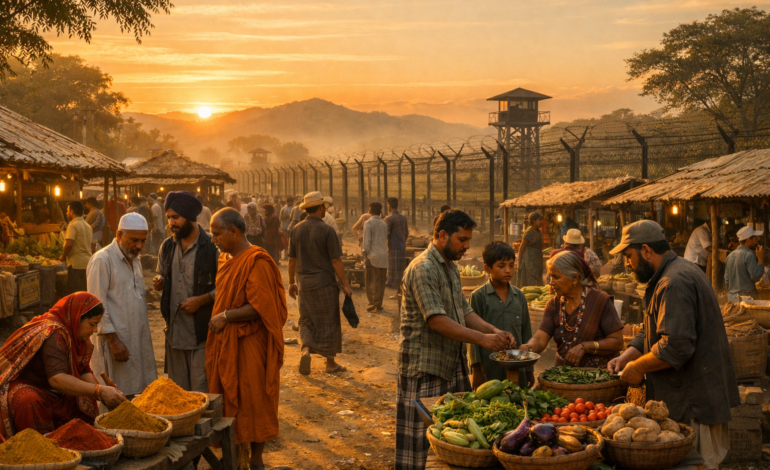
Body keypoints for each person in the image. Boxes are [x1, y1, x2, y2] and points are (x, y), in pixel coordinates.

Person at [607, 220, 739, 470]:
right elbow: (652, 331)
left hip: (695, 404)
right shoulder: (673, 273)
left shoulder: (674, 283)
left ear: (646, 250)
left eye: (628, 255)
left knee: (697, 464)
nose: (627, 263)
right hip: (692, 397)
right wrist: (628, 355)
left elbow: (675, 347)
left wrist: (638, 367)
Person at [396, 210, 516, 470]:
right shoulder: (423, 268)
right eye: (462, 239)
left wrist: (492, 330)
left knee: (455, 441)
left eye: (468, 239)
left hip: (452, 363)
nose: (467, 246)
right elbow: (436, 320)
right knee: (421, 443)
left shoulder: (449, 268)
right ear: (442, 235)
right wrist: (482, 340)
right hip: (425, 366)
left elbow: (463, 310)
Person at [207, 208, 287, 470]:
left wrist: (226, 316)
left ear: (234, 231)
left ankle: (255, 459)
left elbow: (262, 305)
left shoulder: (257, 260)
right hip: (229, 341)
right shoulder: (226, 259)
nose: (213, 239)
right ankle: (234, 453)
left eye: (217, 233)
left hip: (251, 342)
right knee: (231, 398)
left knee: (254, 399)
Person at [0, 293, 126, 437]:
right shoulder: (55, 333)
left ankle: (77, 442)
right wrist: (99, 391)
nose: (95, 330)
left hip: (54, 390)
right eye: (92, 324)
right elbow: (57, 379)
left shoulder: (78, 336)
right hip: (28, 385)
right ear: (76, 317)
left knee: (86, 399)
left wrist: (103, 393)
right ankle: (40, 450)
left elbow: (83, 370)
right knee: (29, 400)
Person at [87, 213, 157, 396]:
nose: (139, 246)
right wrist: (114, 340)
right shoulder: (102, 260)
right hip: (114, 340)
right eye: (134, 240)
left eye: (142, 241)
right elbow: (97, 305)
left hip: (137, 338)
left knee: (139, 391)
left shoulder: (136, 260)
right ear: (119, 235)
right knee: (115, 393)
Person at [154, 192, 217, 393]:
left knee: (201, 388)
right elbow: (161, 273)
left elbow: (226, 287)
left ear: (190, 217)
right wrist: (160, 281)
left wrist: (202, 300)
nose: (171, 222)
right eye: (169, 218)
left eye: (175, 217)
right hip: (174, 332)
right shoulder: (167, 246)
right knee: (178, 391)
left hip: (201, 333)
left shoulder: (212, 248)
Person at [288, 192, 353, 376]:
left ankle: (306, 350)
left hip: (305, 285)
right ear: (320, 208)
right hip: (325, 284)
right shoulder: (327, 230)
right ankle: (330, 363)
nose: (326, 209)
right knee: (329, 322)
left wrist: (291, 282)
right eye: (324, 206)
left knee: (306, 320)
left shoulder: (296, 229)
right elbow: (336, 261)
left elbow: (292, 260)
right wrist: (345, 284)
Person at [523, 251, 624, 367]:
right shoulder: (554, 305)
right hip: (564, 374)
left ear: (575, 278)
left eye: (556, 277)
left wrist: (586, 346)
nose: (551, 282)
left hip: (597, 376)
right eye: (550, 276)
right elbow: (540, 338)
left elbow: (617, 342)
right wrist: (526, 349)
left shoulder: (600, 301)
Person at [469, 241, 533, 388]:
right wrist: (476, 370)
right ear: (487, 268)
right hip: (489, 367)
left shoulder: (520, 296)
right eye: (501, 265)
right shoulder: (478, 297)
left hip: (517, 364)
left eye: (511, 265)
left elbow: (526, 332)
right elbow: (472, 337)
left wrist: (529, 368)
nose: (508, 270)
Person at [725, 225, 766, 302]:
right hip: (747, 299)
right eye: (755, 239)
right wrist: (760, 258)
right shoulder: (749, 255)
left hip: (732, 298)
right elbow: (755, 276)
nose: (756, 242)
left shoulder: (729, 256)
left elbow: (726, 279)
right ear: (748, 240)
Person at [61, 201, 93, 295]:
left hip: (76, 264)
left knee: (76, 294)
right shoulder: (88, 226)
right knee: (84, 293)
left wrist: (63, 256)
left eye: (67, 210)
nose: (66, 213)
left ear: (72, 211)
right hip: (88, 263)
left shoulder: (73, 225)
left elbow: (69, 244)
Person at [362, 202, 388, 312]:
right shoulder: (384, 224)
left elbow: (367, 241)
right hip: (383, 255)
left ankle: (373, 301)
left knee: (370, 280)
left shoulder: (368, 223)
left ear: (370, 210)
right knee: (381, 280)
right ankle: (378, 303)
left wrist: (364, 253)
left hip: (372, 255)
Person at [385, 197, 408, 296]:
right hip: (402, 245)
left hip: (393, 246)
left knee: (394, 269)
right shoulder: (403, 217)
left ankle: (398, 291)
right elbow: (406, 232)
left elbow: (386, 233)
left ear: (389, 206)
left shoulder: (389, 218)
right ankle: (400, 292)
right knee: (400, 269)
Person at [516, 212, 544, 287]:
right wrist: (518, 262)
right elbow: (521, 249)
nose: (541, 222)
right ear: (533, 221)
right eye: (539, 220)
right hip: (530, 262)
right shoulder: (528, 232)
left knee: (538, 279)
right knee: (531, 283)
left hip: (538, 260)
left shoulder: (539, 232)